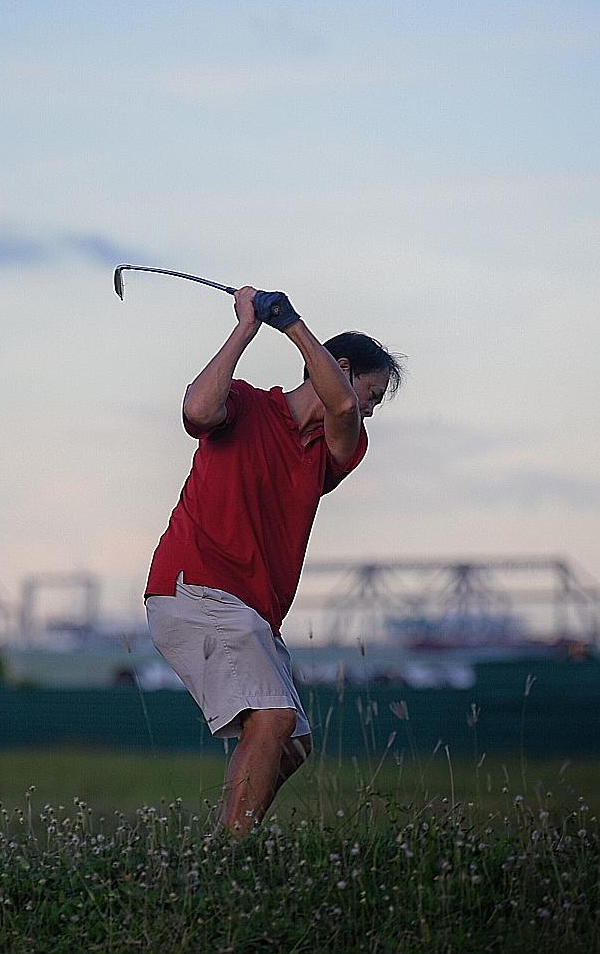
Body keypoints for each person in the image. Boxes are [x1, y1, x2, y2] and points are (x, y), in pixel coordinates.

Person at [144, 285, 403, 835]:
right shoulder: (245, 404)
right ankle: (231, 855)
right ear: (340, 366)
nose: (367, 410)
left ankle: (223, 840)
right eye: (371, 393)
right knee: (275, 718)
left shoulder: (340, 447)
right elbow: (195, 409)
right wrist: (248, 326)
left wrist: (291, 323)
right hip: (197, 590)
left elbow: (337, 405)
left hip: (247, 611)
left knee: (293, 744)